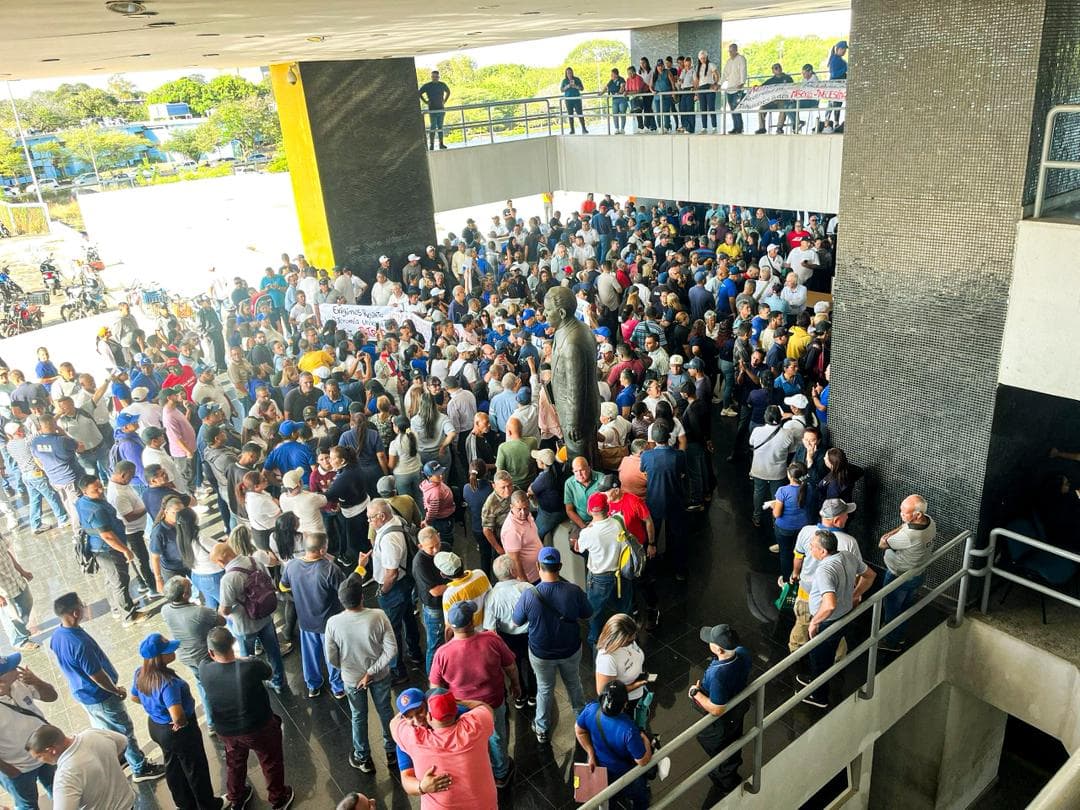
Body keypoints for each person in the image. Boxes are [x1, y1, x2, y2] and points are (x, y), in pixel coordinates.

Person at [48, 592, 165, 783]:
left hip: (82, 693)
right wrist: (115, 690)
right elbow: (97, 675)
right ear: (76, 612)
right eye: (82, 605)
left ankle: (120, 756)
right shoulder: (80, 643)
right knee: (123, 730)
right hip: (100, 695)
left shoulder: (57, 635)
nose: (85, 607)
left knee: (104, 729)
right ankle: (140, 767)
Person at [201, 627, 295, 810]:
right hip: (258, 727)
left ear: (211, 652)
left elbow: (206, 659)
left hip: (226, 731)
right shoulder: (249, 666)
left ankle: (236, 797)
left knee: (234, 763)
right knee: (270, 761)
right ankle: (278, 798)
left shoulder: (204, 670)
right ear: (234, 644)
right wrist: (244, 659)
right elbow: (268, 672)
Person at [128, 633, 222, 810]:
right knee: (195, 768)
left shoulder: (140, 673)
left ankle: (185, 804)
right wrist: (180, 723)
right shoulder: (168, 683)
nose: (174, 651)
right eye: (169, 650)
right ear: (159, 657)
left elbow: (134, 697)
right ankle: (209, 805)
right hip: (177, 731)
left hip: (156, 727)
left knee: (173, 767)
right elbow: (177, 715)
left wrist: (155, 707)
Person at [512, 547, 591, 744]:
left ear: (538, 566)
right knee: (574, 684)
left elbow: (516, 621)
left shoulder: (530, 595)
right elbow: (587, 613)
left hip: (542, 654)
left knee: (545, 689)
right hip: (570, 649)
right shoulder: (573, 590)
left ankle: (542, 728)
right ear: (560, 566)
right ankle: (583, 723)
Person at [324, 574, 398, 774]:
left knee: (358, 716)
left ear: (341, 600)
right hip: (380, 675)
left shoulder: (333, 623)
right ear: (362, 597)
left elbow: (331, 658)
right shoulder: (378, 616)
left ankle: (362, 757)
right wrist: (372, 672)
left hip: (351, 678)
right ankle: (392, 752)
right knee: (385, 711)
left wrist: (347, 669)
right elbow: (391, 650)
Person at [800, 529, 876, 708]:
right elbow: (870, 575)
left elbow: (829, 605)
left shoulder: (824, 570)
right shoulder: (848, 556)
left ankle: (819, 697)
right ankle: (815, 679)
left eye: (813, 547)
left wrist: (815, 621)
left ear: (823, 551)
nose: (810, 549)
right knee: (827, 653)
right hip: (846, 614)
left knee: (820, 657)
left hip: (827, 621)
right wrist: (855, 594)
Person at [391, 690, 497, 808]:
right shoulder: (472, 725)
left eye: (420, 711)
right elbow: (406, 780)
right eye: (409, 717)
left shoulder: (409, 738)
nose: (417, 720)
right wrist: (421, 786)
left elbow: (392, 724)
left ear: (428, 707)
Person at [211, 542, 286, 693]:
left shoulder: (228, 579)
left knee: (247, 659)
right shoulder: (254, 561)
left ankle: (254, 687)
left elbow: (225, 610)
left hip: (245, 625)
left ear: (220, 561)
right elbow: (270, 583)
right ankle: (278, 682)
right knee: (274, 651)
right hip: (266, 617)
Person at [74, 475, 149, 625]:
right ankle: (129, 616)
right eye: (96, 490)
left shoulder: (82, 502)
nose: (101, 490)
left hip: (100, 548)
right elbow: (107, 536)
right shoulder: (96, 510)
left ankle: (117, 608)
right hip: (108, 550)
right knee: (119, 581)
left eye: (100, 486)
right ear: (85, 492)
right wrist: (125, 550)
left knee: (111, 580)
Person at [280, 532, 346, 699]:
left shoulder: (292, 566)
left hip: (305, 621)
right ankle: (337, 687)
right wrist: (360, 569)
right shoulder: (330, 569)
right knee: (332, 656)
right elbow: (345, 593)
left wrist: (298, 596)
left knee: (309, 657)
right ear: (322, 550)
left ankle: (313, 686)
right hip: (328, 623)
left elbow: (282, 586)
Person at [690, 624, 752, 796]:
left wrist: (696, 694)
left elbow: (717, 709)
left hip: (723, 719)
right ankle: (729, 765)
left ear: (718, 649)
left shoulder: (718, 675)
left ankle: (725, 779)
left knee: (715, 742)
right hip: (739, 707)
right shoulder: (742, 653)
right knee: (734, 737)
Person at [364, 498, 423, 680]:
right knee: (408, 618)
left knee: (391, 630)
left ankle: (398, 670)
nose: (369, 521)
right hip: (405, 584)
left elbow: (391, 573)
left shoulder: (389, 539)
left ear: (381, 516)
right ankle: (415, 653)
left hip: (394, 588)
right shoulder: (396, 520)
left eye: (370, 518)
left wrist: (383, 591)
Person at [575, 680, 653, 809]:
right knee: (640, 797)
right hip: (626, 775)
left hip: (601, 770)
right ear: (625, 704)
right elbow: (643, 761)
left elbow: (579, 730)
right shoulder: (628, 729)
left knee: (608, 801)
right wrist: (645, 739)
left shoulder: (591, 709)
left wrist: (590, 753)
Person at [26, 725, 135, 810]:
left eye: (39, 757)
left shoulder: (65, 776)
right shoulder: (93, 733)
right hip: (128, 802)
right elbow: (123, 742)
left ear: (51, 750)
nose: (39, 761)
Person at [0, 653, 58, 809]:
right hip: (18, 769)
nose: (17, 668)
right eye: (11, 668)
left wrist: (37, 682)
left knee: (60, 791)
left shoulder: (20, 683)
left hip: (46, 755)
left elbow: (52, 697)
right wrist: (10, 771)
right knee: (28, 805)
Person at [573, 492, 632, 647]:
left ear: (590, 510)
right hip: (620, 574)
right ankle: (626, 639)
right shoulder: (619, 520)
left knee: (595, 613)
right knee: (622, 609)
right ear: (608, 508)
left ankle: (596, 643)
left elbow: (579, 549)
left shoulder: (588, 533)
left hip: (599, 578)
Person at [878, 495, 936, 652]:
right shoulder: (929, 521)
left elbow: (882, 543)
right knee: (906, 607)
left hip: (898, 576)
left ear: (917, 514)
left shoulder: (909, 536)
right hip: (918, 573)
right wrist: (904, 526)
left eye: (905, 512)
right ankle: (900, 635)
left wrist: (888, 536)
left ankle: (890, 642)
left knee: (892, 608)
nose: (901, 515)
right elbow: (905, 526)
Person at [483, 554, 535, 710]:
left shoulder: (491, 596)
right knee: (533, 664)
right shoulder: (527, 588)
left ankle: (520, 696)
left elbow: (490, 628)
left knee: (514, 666)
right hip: (530, 634)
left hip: (507, 638)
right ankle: (534, 694)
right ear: (513, 570)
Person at [0, 531, 38, 653]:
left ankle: (20, 629)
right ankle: (20, 641)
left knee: (27, 602)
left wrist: (22, 571)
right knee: (12, 615)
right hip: (3, 589)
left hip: (15, 579)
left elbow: (7, 553)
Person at [501, 489, 542, 584]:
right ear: (511, 507)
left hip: (538, 572)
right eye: (519, 509)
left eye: (526, 508)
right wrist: (525, 584)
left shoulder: (527, 515)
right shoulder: (511, 530)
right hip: (530, 579)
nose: (523, 512)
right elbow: (515, 561)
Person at [418, 69, 451, 150]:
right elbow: (419, 93)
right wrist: (425, 101)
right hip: (432, 109)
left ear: (438, 77)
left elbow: (448, 92)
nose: (434, 78)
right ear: (431, 77)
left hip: (441, 109)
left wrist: (445, 100)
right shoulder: (428, 85)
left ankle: (441, 144)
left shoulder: (442, 84)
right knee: (433, 127)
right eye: (433, 77)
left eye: (436, 77)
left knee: (440, 127)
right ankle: (431, 144)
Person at [720, 42, 748, 133]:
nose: (730, 53)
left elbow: (743, 71)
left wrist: (742, 83)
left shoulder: (741, 59)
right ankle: (735, 127)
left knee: (736, 107)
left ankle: (740, 127)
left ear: (736, 50)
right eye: (729, 51)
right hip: (730, 88)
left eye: (732, 51)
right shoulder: (729, 61)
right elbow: (725, 74)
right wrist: (719, 84)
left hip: (737, 88)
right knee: (732, 108)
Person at [560, 66, 588, 134]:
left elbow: (582, 88)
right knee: (570, 115)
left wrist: (575, 86)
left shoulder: (577, 79)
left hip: (576, 99)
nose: (569, 74)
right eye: (568, 73)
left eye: (570, 72)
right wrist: (567, 86)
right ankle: (572, 130)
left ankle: (584, 128)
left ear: (572, 73)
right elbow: (561, 90)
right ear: (566, 74)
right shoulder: (564, 81)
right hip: (568, 100)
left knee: (580, 113)